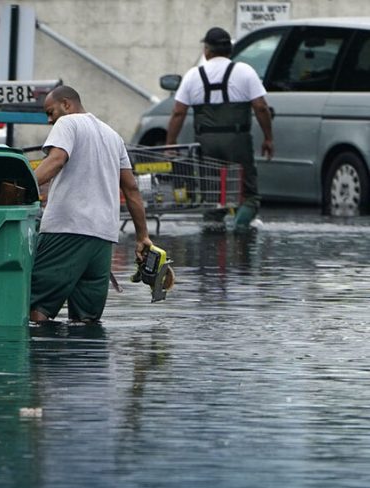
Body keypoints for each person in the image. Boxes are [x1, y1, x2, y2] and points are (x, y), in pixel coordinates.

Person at [30, 86, 153, 323]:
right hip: (102, 239)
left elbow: (55, 160)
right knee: (86, 321)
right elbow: (131, 189)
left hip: (66, 231)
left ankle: (40, 360)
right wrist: (142, 236)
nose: (49, 120)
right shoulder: (113, 136)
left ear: (66, 104)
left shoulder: (68, 124)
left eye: (51, 112)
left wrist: (22, 188)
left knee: (37, 309)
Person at [166, 26, 274, 229]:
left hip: (207, 144)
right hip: (237, 141)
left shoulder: (193, 76)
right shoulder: (245, 72)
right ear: (229, 50)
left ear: (207, 50)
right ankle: (240, 228)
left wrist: (170, 142)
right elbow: (261, 107)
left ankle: (212, 241)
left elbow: (178, 112)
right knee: (249, 195)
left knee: (213, 196)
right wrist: (268, 138)